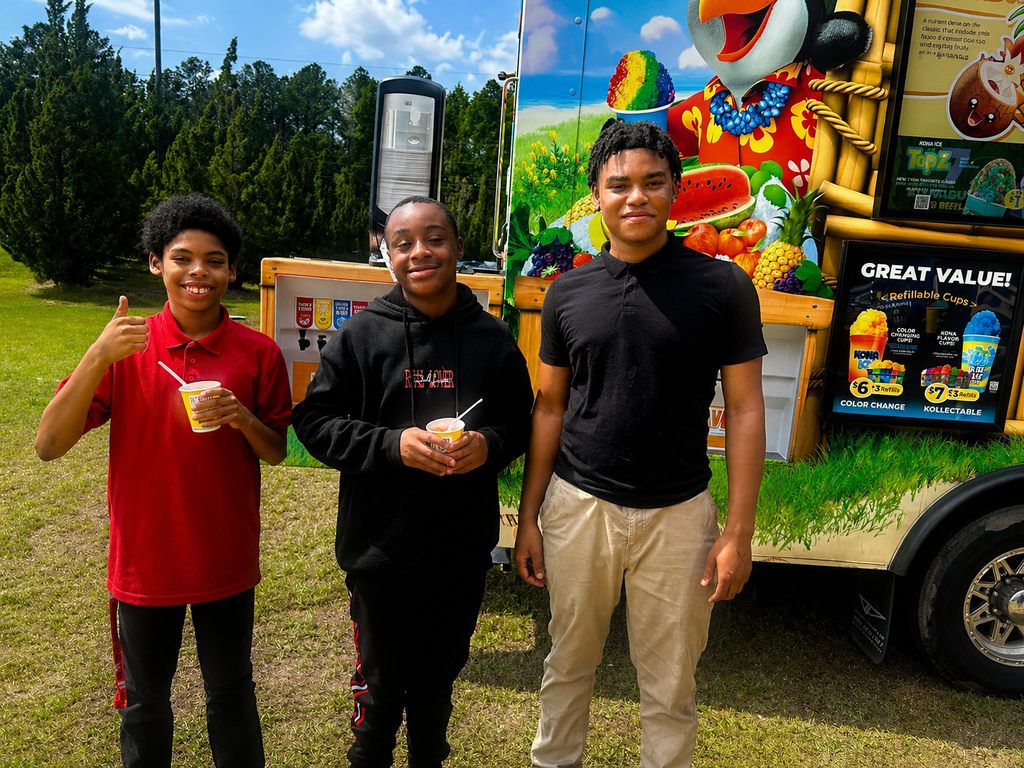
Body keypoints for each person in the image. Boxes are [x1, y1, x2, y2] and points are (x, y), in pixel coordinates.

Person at [513, 120, 767, 768]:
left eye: (653, 183)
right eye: (618, 184)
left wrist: (737, 533)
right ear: (596, 194)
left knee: (671, 688)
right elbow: (548, 407)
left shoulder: (723, 287)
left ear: (675, 191)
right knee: (567, 665)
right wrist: (528, 520)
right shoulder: (566, 293)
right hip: (578, 508)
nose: (636, 197)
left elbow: (743, 408)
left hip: (680, 517)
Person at [34, 193, 291, 768]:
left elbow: (275, 452)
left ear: (232, 271)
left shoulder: (258, 353)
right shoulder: (125, 347)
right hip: (144, 562)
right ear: (156, 263)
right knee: (145, 704)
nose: (199, 271)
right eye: (183, 258)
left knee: (231, 694)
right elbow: (48, 446)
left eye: (216, 260)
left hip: (224, 556)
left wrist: (242, 417)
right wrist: (97, 357)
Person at [292, 196, 534, 768]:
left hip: (459, 553)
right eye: (403, 243)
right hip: (379, 553)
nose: (420, 252)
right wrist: (391, 445)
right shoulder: (360, 337)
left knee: (435, 691)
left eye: (434, 239)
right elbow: (314, 422)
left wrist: (489, 446)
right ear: (386, 254)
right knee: (377, 697)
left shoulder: (491, 338)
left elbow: (521, 423)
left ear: (458, 249)